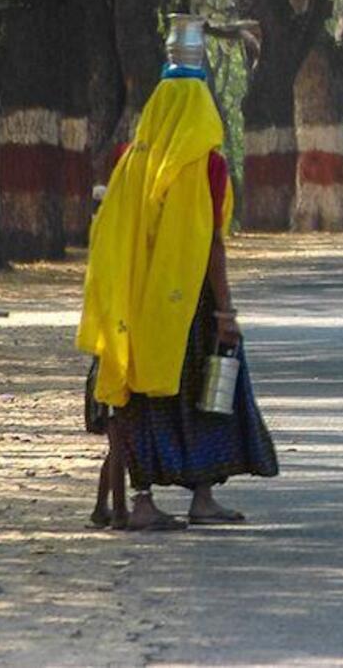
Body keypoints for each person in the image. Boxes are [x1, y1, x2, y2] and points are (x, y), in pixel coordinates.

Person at [77, 59, 277, 531]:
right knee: (207, 396)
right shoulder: (208, 165)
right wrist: (225, 309)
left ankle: (145, 498)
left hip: (134, 303)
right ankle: (198, 498)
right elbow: (211, 242)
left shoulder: (129, 158)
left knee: (141, 398)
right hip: (191, 304)